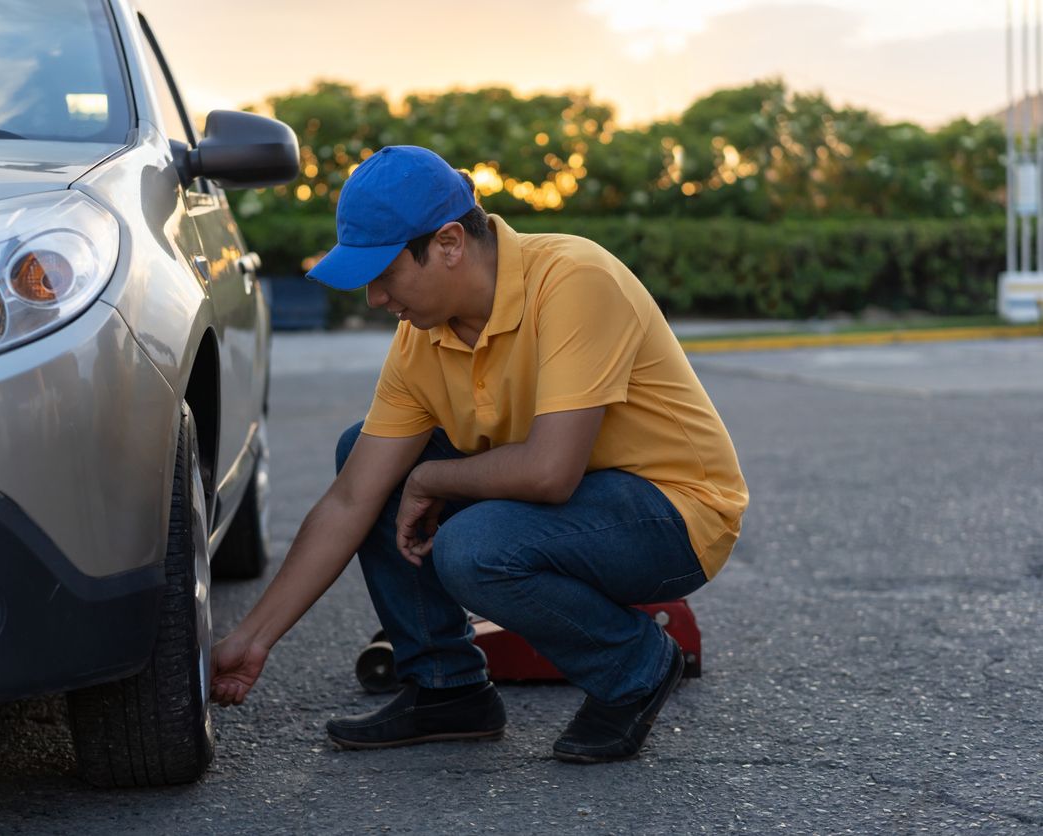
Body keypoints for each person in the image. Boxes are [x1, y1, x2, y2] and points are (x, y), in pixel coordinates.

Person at [209, 145, 748, 762]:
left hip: (673, 513)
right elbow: (351, 500)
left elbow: (550, 472)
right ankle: (447, 689)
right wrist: (252, 639)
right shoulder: (423, 338)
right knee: (363, 453)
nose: (374, 300)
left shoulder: (574, 280)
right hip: (572, 506)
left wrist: (434, 477)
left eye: (384, 274)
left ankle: (635, 665)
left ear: (447, 244)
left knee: (474, 547)